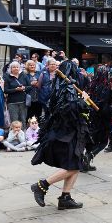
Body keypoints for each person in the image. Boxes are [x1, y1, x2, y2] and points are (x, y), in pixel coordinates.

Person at [30, 61, 92, 209]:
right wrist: (83, 101)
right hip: (66, 133)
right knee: (73, 165)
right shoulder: (68, 87)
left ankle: (65, 197)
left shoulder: (60, 86)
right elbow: (69, 109)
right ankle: (41, 185)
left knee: (75, 165)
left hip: (66, 132)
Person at [82, 67, 112, 171]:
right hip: (103, 116)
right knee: (103, 141)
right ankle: (90, 155)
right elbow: (105, 102)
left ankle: (85, 163)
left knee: (93, 139)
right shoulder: (105, 87)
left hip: (93, 115)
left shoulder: (92, 84)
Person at [3, 61, 28, 125]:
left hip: (23, 101)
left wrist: (24, 88)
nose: (16, 68)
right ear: (11, 69)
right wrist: (15, 89)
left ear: (19, 68)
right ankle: (14, 134)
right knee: (14, 120)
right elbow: (5, 90)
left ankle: (23, 133)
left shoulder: (24, 75)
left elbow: (30, 86)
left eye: (17, 67)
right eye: (14, 67)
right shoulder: (7, 77)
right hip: (12, 102)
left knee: (23, 119)